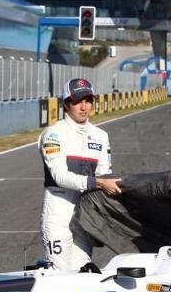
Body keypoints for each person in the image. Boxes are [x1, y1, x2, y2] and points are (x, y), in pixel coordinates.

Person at [38, 77, 121, 271]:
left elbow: (104, 174)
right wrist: (99, 183)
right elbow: (60, 176)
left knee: (84, 274)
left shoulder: (101, 136)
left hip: (86, 215)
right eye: (77, 101)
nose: (84, 107)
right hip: (58, 215)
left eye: (88, 100)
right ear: (66, 103)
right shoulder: (53, 133)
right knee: (60, 275)